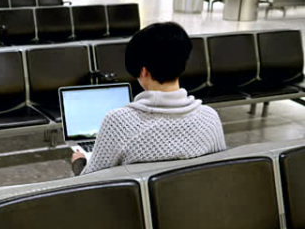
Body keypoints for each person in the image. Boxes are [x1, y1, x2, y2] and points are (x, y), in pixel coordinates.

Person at [72, 22, 226, 175]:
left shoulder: (119, 123)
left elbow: (90, 181)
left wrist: (79, 163)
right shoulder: (210, 118)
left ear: (144, 71)